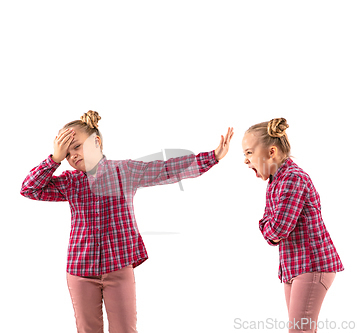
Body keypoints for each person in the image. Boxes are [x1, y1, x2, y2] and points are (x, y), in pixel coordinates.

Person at [20, 110, 234, 333]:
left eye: (76, 147)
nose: (72, 156)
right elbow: (28, 189)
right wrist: (53, 159)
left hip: (119, 267)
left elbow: (166, 169)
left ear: (96, 141)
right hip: (80, 270)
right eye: (66, 153)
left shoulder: (124, 171)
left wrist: (214, 156)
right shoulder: (69, 182)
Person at [242, 118, 344, 333]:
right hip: (295, 266)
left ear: (271, 152)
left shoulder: (292, 179)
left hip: (311, 264)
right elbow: (270, 226)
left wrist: (267, 227)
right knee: (303, 330)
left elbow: (277, 230)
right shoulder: (275, 182)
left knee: (299, 330)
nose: (245, 160)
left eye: (249, 153)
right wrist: (268, 227)